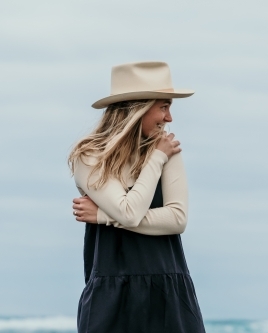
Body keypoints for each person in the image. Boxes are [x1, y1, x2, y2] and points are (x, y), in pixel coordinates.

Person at [68, 61, 205, 333]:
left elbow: (177, 219)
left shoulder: (168, 150)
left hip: (169, 290)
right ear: (137, 108)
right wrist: (156, 159)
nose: (169, 118)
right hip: (112, 293)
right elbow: (129, 211)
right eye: (163, 107)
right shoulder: (89, 156)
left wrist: (104, 216)